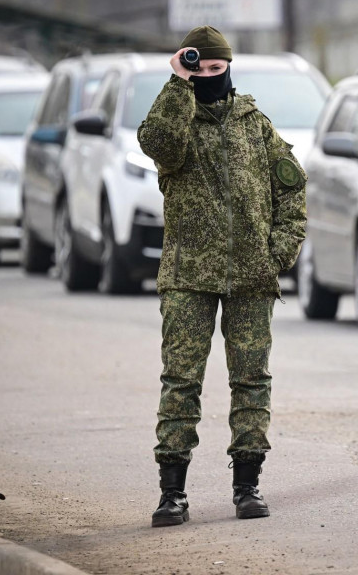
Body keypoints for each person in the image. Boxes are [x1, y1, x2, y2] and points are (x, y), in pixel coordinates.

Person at [137, 26, 307, 527]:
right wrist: (178, 83)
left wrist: (279, 250)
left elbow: (292, 190)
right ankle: (172, 494)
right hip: (189, 275)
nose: (209, 77)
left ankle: (247, 486)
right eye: (200, 69)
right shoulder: (176, 120)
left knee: (251, 381)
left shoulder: (255, 125)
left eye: (216, 69)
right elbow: (158, 145)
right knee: (181, 383)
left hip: (251, 278)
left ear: (230, 68)